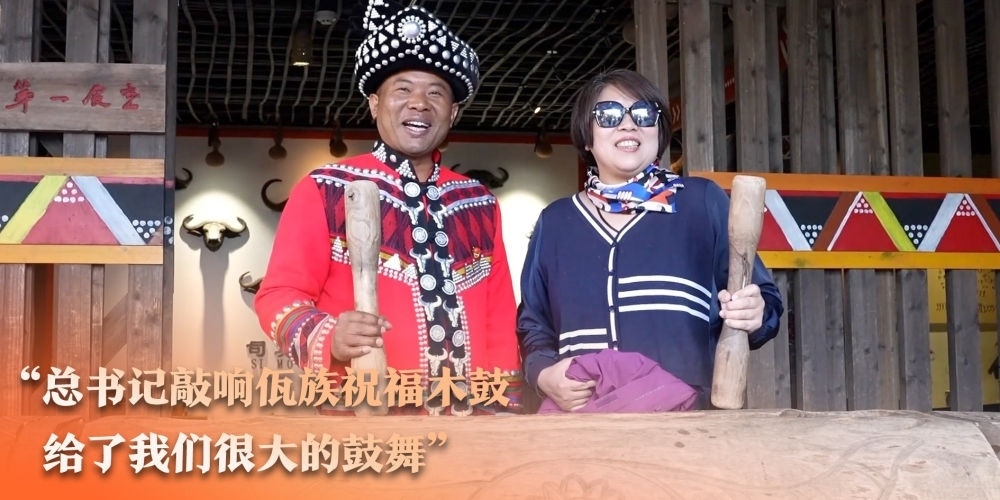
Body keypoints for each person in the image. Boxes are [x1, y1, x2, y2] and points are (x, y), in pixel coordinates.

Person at [254, 0, 521, 416]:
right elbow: (278, 295)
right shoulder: (325, 188)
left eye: (436, 93)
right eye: (403, 90)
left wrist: (504, 409)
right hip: (363, 421)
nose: (419, 103)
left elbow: (499, 320)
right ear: (375, 104)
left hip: (471, 425)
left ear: (452, 113)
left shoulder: (478, 202)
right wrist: (328, 335)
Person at [517, 69, 784, 412]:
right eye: (609, 115)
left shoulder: (701, 203)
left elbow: (765, 301)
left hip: (688, 422)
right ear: (587, 136)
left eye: (643, 113)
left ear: (659, 131)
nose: (628, 125)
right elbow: (533, 323)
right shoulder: (556, 222)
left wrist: (756, 311)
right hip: (584, 424)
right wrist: (543, 374)